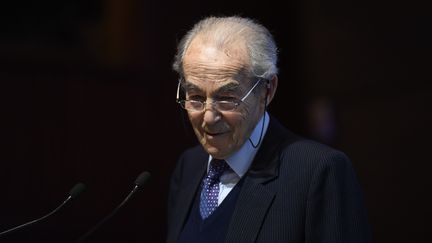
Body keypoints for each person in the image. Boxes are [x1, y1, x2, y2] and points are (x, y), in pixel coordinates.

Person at [166, 16, 372, 243]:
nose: (209, 117)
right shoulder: (189, 166)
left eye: (226, 98)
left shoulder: (317, 172)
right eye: (195, 97)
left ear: (267, 90)